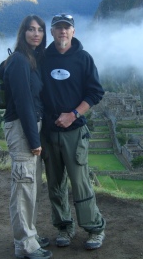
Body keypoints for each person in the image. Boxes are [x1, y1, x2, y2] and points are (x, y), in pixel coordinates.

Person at [40, 13, 106, 250]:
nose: (63, 32)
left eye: (67, 28)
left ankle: (94, 228)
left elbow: (95, 93)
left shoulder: (83, 59)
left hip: (74, 132)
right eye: (58, 28)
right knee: (55, 183)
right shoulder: (43, 58)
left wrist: (73, 115)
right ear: (52, 32)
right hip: (49, 133)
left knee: (80, 183)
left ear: (73, 31)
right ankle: (64, 227)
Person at [3, 15, 53, 259]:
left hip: (31, 126)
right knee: (23, 186)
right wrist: (34, 141)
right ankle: (24, 244)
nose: (36, 34)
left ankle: (29, 235)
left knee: (31, 185)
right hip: (22, 129)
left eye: (40, 30)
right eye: (31, 29)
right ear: (23, 33)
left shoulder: (31, 60)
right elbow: (23, 105)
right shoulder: (20, 62)